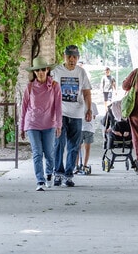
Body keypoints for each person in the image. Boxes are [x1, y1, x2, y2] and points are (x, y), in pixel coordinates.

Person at [51, 45, 93, 187]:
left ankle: (68, 174)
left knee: (74, 146)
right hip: (60, 113)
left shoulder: (81, 73)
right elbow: (49, 91)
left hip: (76, 114)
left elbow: (87, 93)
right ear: (64, 56)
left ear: (78, 58)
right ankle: (58, 173)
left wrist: (89, 110)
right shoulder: (56, 71)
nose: (71, 59)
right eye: (69, 56)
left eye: (74, 57)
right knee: (59, 144)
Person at [19, 57, 63, 191]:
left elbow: (58, 107)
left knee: (49, 153)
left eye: (43, 69)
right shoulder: (30, 87)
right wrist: (21, 127)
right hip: (32, 123)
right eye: (37, 70)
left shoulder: (54, 86)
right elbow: (24, 107)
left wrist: (58, 125)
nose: (40, 72)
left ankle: (49, 173)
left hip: (49, 124)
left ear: (47, 70)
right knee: (37, 153)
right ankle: (40, 181)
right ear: (35, 72)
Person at [75, 102, 99, 174]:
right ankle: (85, 165)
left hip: (79, 128)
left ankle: (76, 165)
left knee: (77, 148)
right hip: (89, 128)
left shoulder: (78, 104)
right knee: (87, 148)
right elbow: (94, 117)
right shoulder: (93, 104)